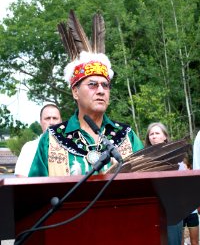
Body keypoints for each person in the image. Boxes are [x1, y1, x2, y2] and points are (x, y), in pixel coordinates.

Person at [28, 10, 144, 177]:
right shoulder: (52, 139)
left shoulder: (126, 135)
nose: (101, 90)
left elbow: (146, 182)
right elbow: (34, 193)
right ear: (75, 92)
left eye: (105, 85)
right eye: (92, 85)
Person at [145, 122, 183, 245]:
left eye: (157, 133)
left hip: (172, 207)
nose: (154, 136)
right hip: (152, 206)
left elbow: (183, 181)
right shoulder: (143, 159)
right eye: (151, 134)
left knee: (173, 241)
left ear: (165, 136)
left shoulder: (176, 155)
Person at [14, 103, 62, 177]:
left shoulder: (70, 147)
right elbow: (21, 177)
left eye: (55, 118)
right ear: (41, 122)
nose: (51, 122)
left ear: (61, 122)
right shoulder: (29, 147)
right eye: (47, 118)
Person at [181, 156, 199, 245]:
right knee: (180, 241)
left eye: (184, 166)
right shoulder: (175, 179)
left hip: (193, 213)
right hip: (180, 213)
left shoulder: (194, 178)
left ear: (189, 167)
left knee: (195, 242)